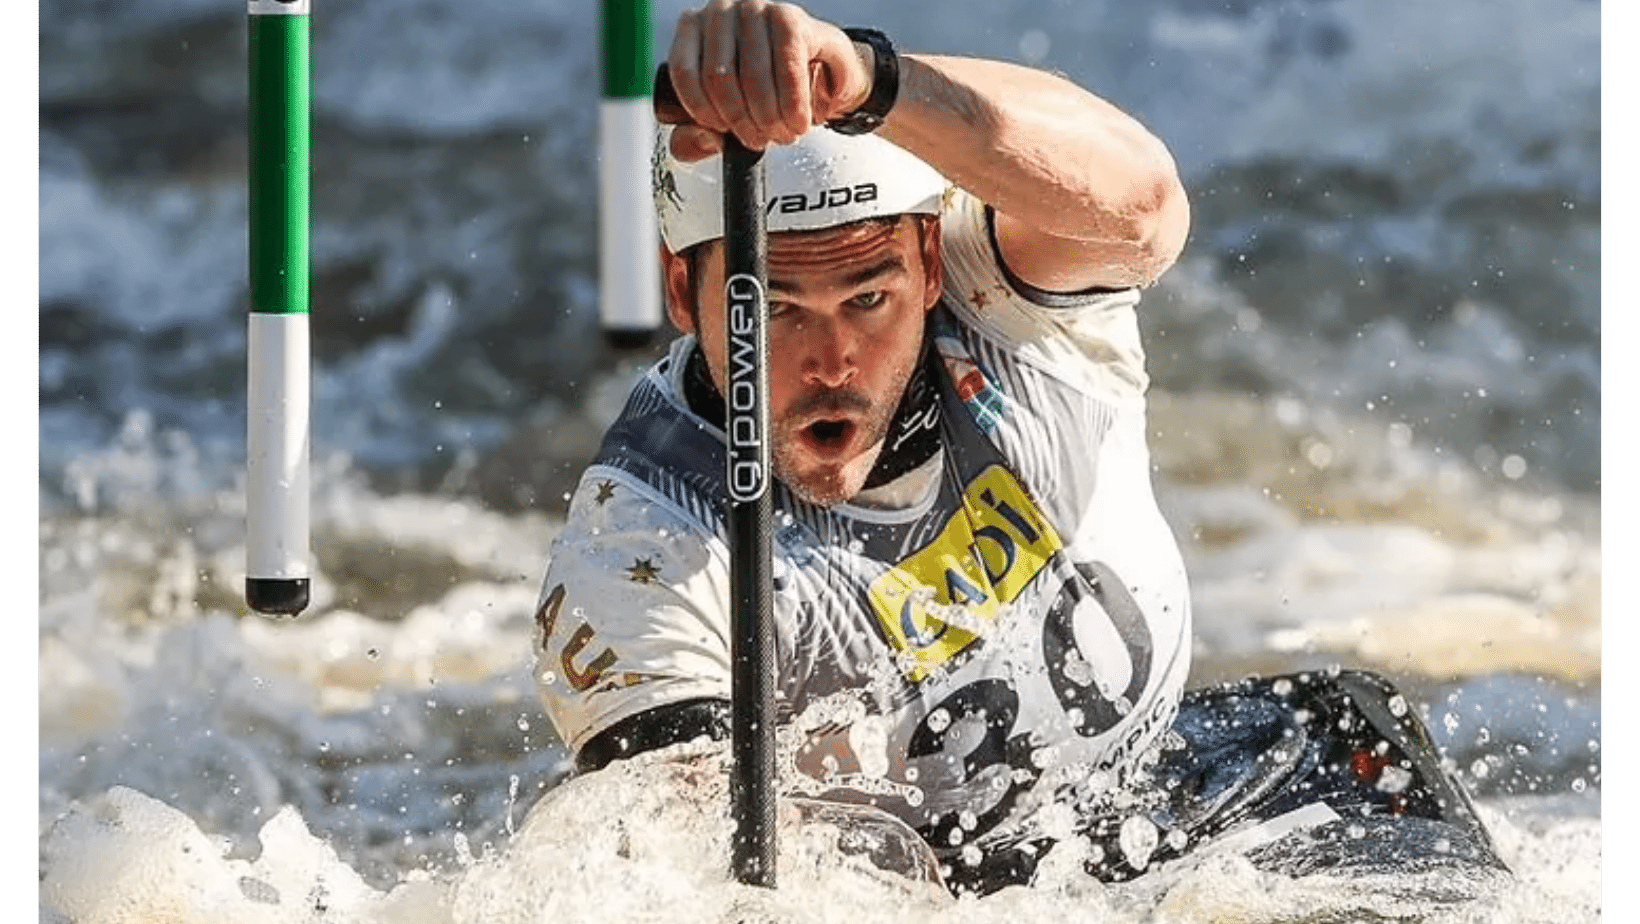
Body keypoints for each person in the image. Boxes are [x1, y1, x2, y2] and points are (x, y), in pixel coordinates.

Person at [533, 0, 1504, 894]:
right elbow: (671, 877)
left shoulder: (997, 296)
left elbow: (1143, 202)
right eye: (776, 308)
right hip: (937, 901)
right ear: (677, 293)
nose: (830, 358)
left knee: (1352, 726)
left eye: (865, 297)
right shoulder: (641, 550)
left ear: (921, 262)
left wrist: (873, 83)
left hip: (1157, 806)